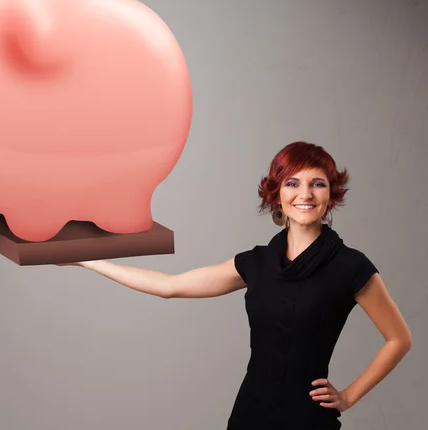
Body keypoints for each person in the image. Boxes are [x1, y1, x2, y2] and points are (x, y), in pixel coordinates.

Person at [58, 141, 412, 430]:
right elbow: (170, 285)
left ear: (330, 194)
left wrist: (348, 396)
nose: (305, 194)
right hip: (250, 415)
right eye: (292, 182)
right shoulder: (256, 263)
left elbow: (399, 339)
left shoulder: (350, 266)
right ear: (277, 194)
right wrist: (87, 260)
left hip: (307, 420)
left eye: (317, 183)